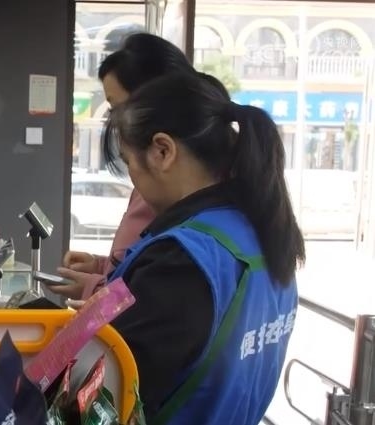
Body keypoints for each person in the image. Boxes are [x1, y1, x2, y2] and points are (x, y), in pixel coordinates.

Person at [103, 71, 305, 424]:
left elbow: (101, 394)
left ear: (163, 151)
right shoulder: (262, 235)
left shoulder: (181, 262)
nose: (132, 176)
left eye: (128, 160)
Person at [50, 33, 219, 301]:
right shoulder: (203, 221)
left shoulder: (185, 248)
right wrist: (101, 267)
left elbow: (145, 295)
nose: (116, 123)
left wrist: (96, 291)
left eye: (117, 108)